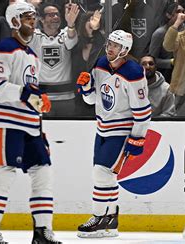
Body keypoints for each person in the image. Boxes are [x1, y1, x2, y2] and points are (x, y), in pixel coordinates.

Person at [0, 2, 61, 243]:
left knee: (43, 172)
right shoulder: (4, 48)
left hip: (29, 123)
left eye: (33, 18)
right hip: (7, 120)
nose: (33, 22)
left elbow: (28, 89)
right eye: (27, 18)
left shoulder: (31, 55)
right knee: (4, 171)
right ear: (14, 21)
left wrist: (38, 103)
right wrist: (27, 95)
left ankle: (42, 231)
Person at [76, 29, 151, 238]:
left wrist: (137, 137)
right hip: (102, 128)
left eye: (115, 46)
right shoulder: (100, 64)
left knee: (101, 174)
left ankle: (99, 217)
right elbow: (92, 100)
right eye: (109, 44)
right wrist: (86, 88)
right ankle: (110, 217)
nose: (110, 48)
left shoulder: (134, 72)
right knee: (105, 175)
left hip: (121, 130)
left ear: (124, 50)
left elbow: (143, 112)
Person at [28, 2, 79, 116]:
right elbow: (22, 33)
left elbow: (71, 39)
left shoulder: (65, 33)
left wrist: (71, 24)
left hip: (66, 98)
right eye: (51, 15)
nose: (55, 17)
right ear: (41, 19)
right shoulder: (35, 36)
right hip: (41, 98)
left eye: (57, 14)